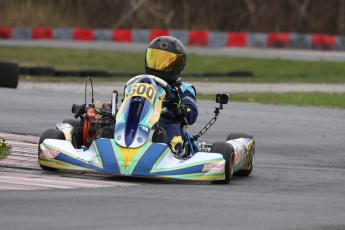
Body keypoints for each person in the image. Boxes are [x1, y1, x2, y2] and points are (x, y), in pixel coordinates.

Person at [144, 36, 198, 156]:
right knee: (115, 124)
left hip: (166, 124)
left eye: (166, 62)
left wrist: (178, 106)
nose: (158, 66)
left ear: (178, 66)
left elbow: (191, 115)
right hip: (139, 122)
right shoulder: (141, 83)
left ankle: (171, 154)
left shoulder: (184, 89)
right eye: (155, 59)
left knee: (171, 131)